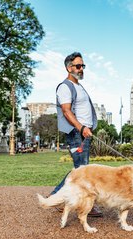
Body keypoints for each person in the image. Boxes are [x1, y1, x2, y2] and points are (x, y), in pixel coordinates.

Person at [50, 52, 102, 217]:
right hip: (76, 134)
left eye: (83, 66)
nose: (81, 69)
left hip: (84, 133)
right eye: (78, 66)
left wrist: (88, 128)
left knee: (80, 170)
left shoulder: (79, 86)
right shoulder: (65, 87)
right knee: (82, 171)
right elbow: (66, 111)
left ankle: (62, 198)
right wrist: (81, 128)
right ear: (69, 67)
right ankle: (64, 199)